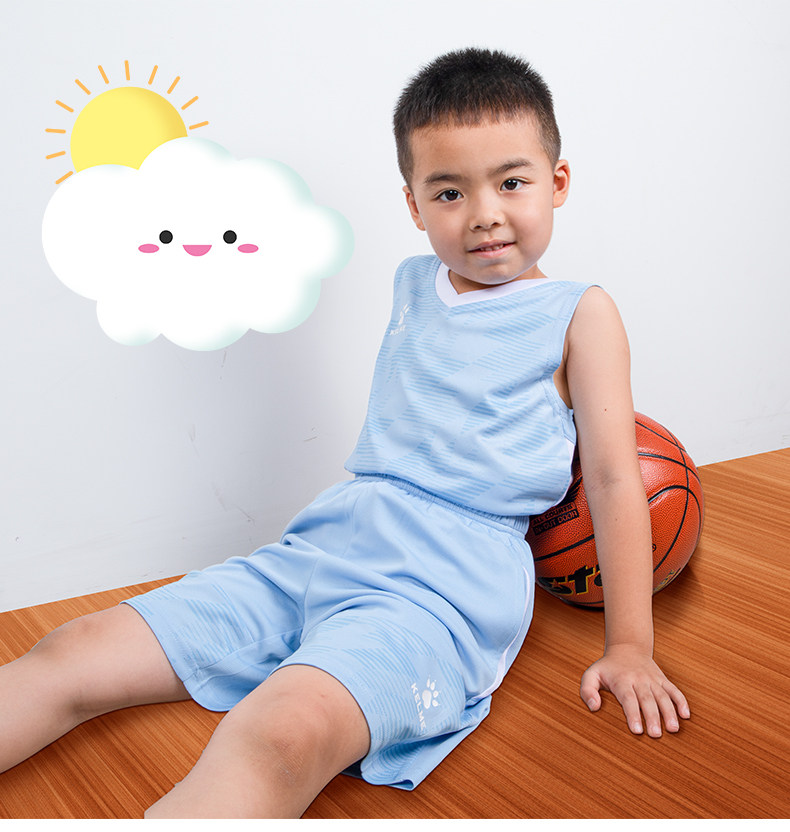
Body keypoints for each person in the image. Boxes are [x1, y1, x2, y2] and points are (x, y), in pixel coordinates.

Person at [0, 48, 690, 818]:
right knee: (73, 650)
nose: (484, 213)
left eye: (512, 182)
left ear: (557, 182)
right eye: (450, 191)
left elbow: (614, 479)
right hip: (328, 546)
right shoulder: (413, 282)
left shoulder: (579, 314)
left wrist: (630, 646)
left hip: (443, 590)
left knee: (280, 735)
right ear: (414, 205)